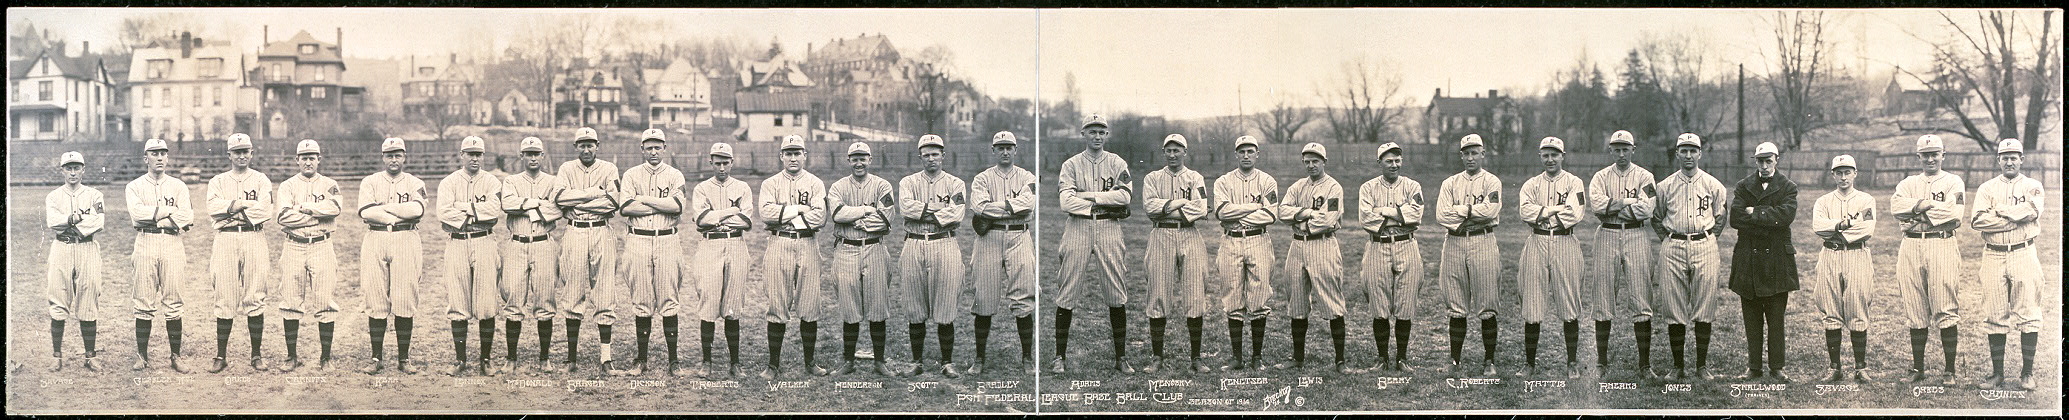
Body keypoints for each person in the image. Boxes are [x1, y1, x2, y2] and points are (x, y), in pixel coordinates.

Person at [1051, 114, 1136, 374]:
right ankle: (1059, 357)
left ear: (1107, 135)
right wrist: (1103, 200)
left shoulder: (1117, 162)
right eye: (1092, 131)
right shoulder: (1071, 164)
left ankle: (1121, 357)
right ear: (1083, 134)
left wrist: (1087, 195)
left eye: (1101, 132)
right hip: (1077, 226)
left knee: (1115, 290)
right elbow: (1066, 202)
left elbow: (1125, 197)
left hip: (1109, 227)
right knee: (1068, 288)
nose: (1097, 136)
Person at [1890, 134, 1968, 385]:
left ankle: (1950, 371)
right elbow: (1895, 208)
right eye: (1926, 154)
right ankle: (1917, 368)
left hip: (1941, 242)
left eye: (1936, 153)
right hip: (1911, 244)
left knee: (1945, 304)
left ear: (1944, 155)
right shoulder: (1908, 182)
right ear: (1918, 157)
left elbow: (1954, 214)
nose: (1931, 158)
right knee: (1914, 306)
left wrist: (1915, 211)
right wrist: (1925, 205)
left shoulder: (1953, 181)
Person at [1651, 133, 1728, 381]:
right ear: (1677, 154)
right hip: (1673, 243)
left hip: (1704, 243)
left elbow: (1720, 217)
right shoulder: (1664, 186)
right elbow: (1656, 217)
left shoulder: (1714, 185)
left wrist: (1709, 236)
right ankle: (1677, 366)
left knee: (1705, 304)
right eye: (1683, 150)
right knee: (1674, 305)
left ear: (1700, 153)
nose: (1688, 155)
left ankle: (1702, 366)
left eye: (1692, 150)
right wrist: (1668, 238)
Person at [1970, 138, 2043, 391]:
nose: (2009, 161)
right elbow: (1978, 221)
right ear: (1997, 159)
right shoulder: (1987, 188)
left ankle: (2027, 373)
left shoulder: (2033, 185)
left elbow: (2032, 212)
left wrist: (2000, 211)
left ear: (2022, 159)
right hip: (1993, 254)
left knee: (2028, 312)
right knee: (1994, 313)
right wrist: (2015, 217)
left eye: (2014, 157)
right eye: (2005, 156)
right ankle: (1997, 373)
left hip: (2024, 252)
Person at [552, 127, 626, 374]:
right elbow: (560, 199)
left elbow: (613, 202)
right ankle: (571, 358)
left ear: (597, 146)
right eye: (581, 145)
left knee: (604, 291)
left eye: (590, 144)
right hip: (574, 231)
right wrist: (594, 194)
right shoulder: (566, 169)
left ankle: (606, 357)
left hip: (601, 231)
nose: (586, 149)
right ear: (575, 147)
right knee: (572, 290)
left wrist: (579, 200)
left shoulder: (608, 169)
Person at [1585, 130, 1657, 378]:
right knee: (1603, 295)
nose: (1621, 153)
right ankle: (1601, 363)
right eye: (1617, 149)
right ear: (1611, 151)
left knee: (1641, 296)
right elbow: (1597, 207)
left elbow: (1646, 208)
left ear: (1633, 149)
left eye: (1625, 148)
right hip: (1606, 234)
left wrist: (1614, 206)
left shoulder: (1645, 176)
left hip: (1636, 235)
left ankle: (1645, 365)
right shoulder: (1600, 176)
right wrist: (1629, 203)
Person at [1728, 141, 1801, 383]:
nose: (1765, 165)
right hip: (1748, 258)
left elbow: (1785, 216)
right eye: (1760, 160)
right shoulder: (1743, 186)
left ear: (1776, 160)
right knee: (1751, 317)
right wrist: (1767, 215)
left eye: (1769, 160)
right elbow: (1736, 218)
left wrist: (1755, 212)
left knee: (1776, 317)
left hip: (1777, 260)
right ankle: (1754, 367)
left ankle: (1777, 367)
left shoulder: (1788, 187)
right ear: (1755, 161)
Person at [899, 134, 969, 378]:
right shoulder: (907, 182)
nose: (931, 158)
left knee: (946, 303)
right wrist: (940, 211)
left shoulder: (956, 183)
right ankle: (916, 361)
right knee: (915, 304)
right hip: (914, 243)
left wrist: (923, 213)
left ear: (943, 156)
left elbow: (957, 215)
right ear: (920, 156)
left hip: (945, 244)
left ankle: (947, 362)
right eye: (926, 154)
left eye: (935, 153)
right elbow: (906, 209)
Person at [1141, 134, 1212, 373]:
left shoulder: (1195, 177)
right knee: (1158, 292)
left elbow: (1201, 208)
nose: (1173, 154)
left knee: (1194, 293)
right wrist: (1181, 203)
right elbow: (1150, 209)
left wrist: (1166, 206)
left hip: (1190, 235)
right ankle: (1157, 356)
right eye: (1168, 150)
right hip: (1161, 234)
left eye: (1177, 150)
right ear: (1164, 152)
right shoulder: (1152, 178)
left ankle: (1196, 358)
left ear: (1185, 152)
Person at [204, 132, 275, 373]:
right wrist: (242, 205)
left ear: (251, 153)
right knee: (224, 295)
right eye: (237, 151)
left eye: (245, 151)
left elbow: (265, 211)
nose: (242, 155)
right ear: (229, 155)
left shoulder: (261, 179)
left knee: (255, 294)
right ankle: (220, 355)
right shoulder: (218, 181)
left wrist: (231, 209)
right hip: (226, 239)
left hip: (254, 236)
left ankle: (256, 355)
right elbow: (213, 209)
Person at [969, 131, 1039, 375]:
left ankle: (1027, 357)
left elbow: (1028, 205)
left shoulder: (1027, 177)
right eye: (1000, 147)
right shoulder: (982, 178)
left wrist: (995, 208)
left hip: (1019, 236)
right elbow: (978, 207)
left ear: (1016, 150)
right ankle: (979, 358)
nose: (1005, 151)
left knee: (1024, 295)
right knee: (984, 296)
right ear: (993, 150)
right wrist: (1012, 207)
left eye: (1009, 147)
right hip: (989, 237)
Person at [759, 135, 829, 378]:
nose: (793, 157)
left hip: (808, 243)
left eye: (797, 153)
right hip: (779, 243)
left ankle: (810, 362)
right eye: (788, 153)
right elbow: (766, 213)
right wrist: (799, 209)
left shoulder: (815, 183)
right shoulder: (770, 183)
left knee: (809, 304)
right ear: (781, 156)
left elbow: (820, 217)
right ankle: (773, 365)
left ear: (805, 155)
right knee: (777, 303)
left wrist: (785, 216)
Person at [357, 137, 428, 375]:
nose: (394, 159)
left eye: (398, 154)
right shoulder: (370, 181)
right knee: (376, 297)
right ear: (383, 157)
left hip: (406, 238)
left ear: (404, 157)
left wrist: (384, 209)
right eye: (389, 155)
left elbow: (417, 210)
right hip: (375, 238)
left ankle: (404, 359)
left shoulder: (415, 182)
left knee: (405, 297)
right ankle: (376, 357)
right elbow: (365, 212)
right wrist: (399, 213)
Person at [1276, 142, 1349, 373]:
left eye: (1315, 161)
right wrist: (1307, 213)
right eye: (1307, 161)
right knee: (1296, 301)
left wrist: (1300, 222)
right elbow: (1282, 211)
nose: (1311, 165)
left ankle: (1340, 361)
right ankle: (1297, 358)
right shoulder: (1298, 186)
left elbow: (1327, 220)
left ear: (1324, 162)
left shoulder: (1333, 187)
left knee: (1332, 302)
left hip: (1323, 245)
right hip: (1297, 247)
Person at [1517, 137, 1587, 378]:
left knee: (1569, 302)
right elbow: (1525, 212)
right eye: (1545, 155)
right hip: (1536, 241)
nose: (1550, 159)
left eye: (1554, 154)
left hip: (1565, 240)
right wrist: (1552, 210)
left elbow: (1574, 214)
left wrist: (1543, 214)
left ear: (1562, 156)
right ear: (1540, 156)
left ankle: (1572, 362)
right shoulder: (1531, 184)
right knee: (1533, 302)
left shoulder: (1574, 182)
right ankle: (1529, 363)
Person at [621, 129, 689, 377]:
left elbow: (677, 206)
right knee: (641, 300)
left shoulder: (674, 174)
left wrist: (644, 200)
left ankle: (674, 360)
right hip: (638, 240)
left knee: (669, 299)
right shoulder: (630, 174)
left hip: (667, 240)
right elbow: (626, 208)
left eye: (657, 147)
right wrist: (660, 205)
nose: (653, 152)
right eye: (648, 147)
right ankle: (641, 359)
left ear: (664, 148)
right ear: (642, 149)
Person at [826, 141, 897, 376]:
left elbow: (886, 219)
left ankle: (879, 361)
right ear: (848, 161)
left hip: (875, 249)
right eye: (854, 158)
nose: (859, 162)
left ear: (870, 160)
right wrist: (867, 210)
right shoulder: (837, 187)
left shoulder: (882, 185)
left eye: (863, 158)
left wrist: (854, 218)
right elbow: (837, 214)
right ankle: (848, 361)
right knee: (849, 306)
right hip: (846, 249)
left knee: (878, 305)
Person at [436, 136, 505, 377]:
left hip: (484, 240)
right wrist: (476, 213)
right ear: (461, 155)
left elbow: (494, 212)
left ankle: (485, 359)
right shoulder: (448, 182)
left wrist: (463, 209)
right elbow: (443, 213)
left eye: (478, 154)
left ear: (483, 156)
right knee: (458, 301)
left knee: (486, 303)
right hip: (457, 243)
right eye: (470, 153)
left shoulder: (492, 181)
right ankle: (460, 359)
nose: (474, 158)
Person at [1436, 134, 1504, 377]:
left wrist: (1462, 211)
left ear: (1483, 154)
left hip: (1483, 240)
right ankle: (1454, 360)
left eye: (1475, 152)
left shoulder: (1492, 181)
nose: (1471, 157)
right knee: (1455, 303)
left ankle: (1489, 360)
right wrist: (1474, 213)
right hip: (1454, 242)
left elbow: (1491, 210)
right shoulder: (1450, 183)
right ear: (1461, 156)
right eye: (1466, 153)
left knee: (1487, 303)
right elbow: (1442, 216)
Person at [275, 139, 344, 372]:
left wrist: (305, 209)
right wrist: (318, 213)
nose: (307, 161)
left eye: (312, 157)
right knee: (291, 300)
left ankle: (326, 357)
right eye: (303, 157)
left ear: (319, 159)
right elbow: (283, 217)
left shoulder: (329, 184)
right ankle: (291, 356)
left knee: (324, 300)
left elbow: (334, 209)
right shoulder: (287, 186)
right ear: (297, 160)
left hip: (321, 245)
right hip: (294, 245)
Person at [128, 138, 196, 373]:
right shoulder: (134, 186)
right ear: (145, 157)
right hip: (145, 240)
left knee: (174, 300)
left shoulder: (178, 186)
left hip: (171, 243)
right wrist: (169, 212)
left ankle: (175, 356)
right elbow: (136, 215)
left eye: (163, 153)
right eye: (154, 153)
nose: (159, 157)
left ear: (167, 158)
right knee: (143, 300)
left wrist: (154, 215)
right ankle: (142, 356)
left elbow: (187, 217)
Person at [1212, 135, 1278, 371]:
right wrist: (1253, 207)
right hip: (1231, 241)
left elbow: (1270, 215)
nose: (1246, 155)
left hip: (1258, 239)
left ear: (1257, 154)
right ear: (1236, 154)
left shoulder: (1267, 181)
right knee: (1232, 295)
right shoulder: (1223, 181)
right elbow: (1221, 212)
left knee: (1259, 296)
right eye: (1242, 151)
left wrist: (1236, 212)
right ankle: (1237, 357)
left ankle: (1257, 357)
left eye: (1251, 151)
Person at [500, 137, 566, 374]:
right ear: (521, 156)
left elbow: (558, 208)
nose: (533, 158)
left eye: (536, 153)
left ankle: (544, 357)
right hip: (517, 243)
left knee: (545, 297)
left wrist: (526, 207)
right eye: (528, 154)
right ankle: (511, 357)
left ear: (543, 156)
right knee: (513, 297)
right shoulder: (511, 180)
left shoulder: (553, 181)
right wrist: (536, 204)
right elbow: (507, 204)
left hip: (544, 243)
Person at [1357, 142, 1423, 374]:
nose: (1394, 164)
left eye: (1397, 160)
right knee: (1379, 302)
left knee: (1406, 302)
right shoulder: (1367, 188)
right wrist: (1399, 214)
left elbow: (1416, 216)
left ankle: (1402, 358)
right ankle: (1382, 357)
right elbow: (1366, 220)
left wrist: (1383, 212)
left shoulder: (1412, 185)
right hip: (1378, 246)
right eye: (1389, 160)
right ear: (1380, 162)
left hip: (1406, 244)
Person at [690, 141, 754, 378]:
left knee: (732, 304)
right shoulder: (701, 188)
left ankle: (735, 363)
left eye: (726, 163)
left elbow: (746, 221)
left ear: (732, 162)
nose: (722, 168)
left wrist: (716, 217)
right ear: (711, 163)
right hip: (710, 244)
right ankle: (706, 361)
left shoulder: (743, 187)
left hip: (736, 244)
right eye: (717, 163)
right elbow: (701, 220)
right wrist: (730, 212)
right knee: (708, 302)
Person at [1810, 154, 1875, 383]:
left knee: (1857, 305)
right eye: (1839, 172)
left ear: (1855, 173)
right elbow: (1818, 227)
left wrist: (1836, 231)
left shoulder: (1866, 199)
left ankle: (1860, 367)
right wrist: (1840, 225)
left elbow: (1866, 229)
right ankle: (1834, 367)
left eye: (1848, 172)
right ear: (1833, 175)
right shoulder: (1823, 201)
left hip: (1857, 253)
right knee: (1830, 307)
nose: (1844, 176)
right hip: (1830, 254)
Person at [47, 151, 107, 372]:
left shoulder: (95, 194)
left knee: (89, 296)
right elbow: (53, 222)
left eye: (76, 167)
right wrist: (72, 218)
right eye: (68, 168)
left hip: (87, 247)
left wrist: (72, 224)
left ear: (83, 169)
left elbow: (99, 221)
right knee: (58, 296)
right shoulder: (53, 196)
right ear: (62, 170)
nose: (73, 172)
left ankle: (90, 356)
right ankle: (57, 355)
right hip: (61, 247)